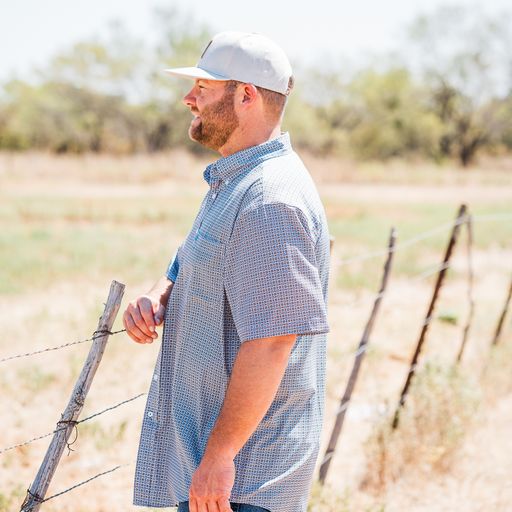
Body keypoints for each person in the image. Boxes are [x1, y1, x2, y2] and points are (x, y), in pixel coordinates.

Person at [123, 31, 330, 512]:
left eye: (204, 87)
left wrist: (220, 455)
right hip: (222, 471)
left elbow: (274, 341)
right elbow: (191, 258)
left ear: (246, 96)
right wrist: (161, 292)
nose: (188, 98)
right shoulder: (236, 183)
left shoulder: (268, 200)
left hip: (244, 480)